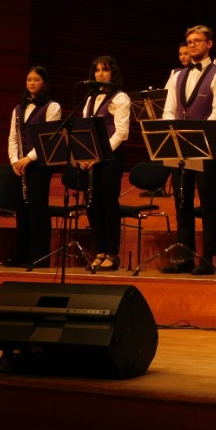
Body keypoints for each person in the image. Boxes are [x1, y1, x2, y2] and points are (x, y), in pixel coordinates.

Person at [161, 25, 216, 275]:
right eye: (189, 41)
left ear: (209, 44)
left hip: (206, 147)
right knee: (182, 202)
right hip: (180, 147)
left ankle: (208, 259)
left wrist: (197, 138)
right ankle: (185, 257)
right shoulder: (177, 75)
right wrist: (173, 136)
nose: (192, 45)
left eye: (197, 41)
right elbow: (169, 109)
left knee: (208, 202)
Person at [6, 65, 62, 267]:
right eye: (29, 79)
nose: (32, 83)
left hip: (39, 164)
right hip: (20, 165)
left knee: (37, 208)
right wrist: (14, 161)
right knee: (22, 209)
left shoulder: (52, 107)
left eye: (36, 80)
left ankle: (39, 256)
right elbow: (13, 138)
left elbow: (48, 139)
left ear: (44, 83)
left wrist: (28, 158)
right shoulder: (18, 109)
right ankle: (21, 253)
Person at [82, 56, 131, 271]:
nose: (100, 74)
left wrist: (99, 154)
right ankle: (99, 250)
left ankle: (112, 253)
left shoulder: (120, 98)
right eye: (97, 70)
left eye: (105, 70)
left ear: (113, 73)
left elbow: (121, 132)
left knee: (108, 204)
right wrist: (84, 155)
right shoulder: (90, 98)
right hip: (92, 158)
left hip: (110, 157)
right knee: (92, 205)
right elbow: (85, 128)